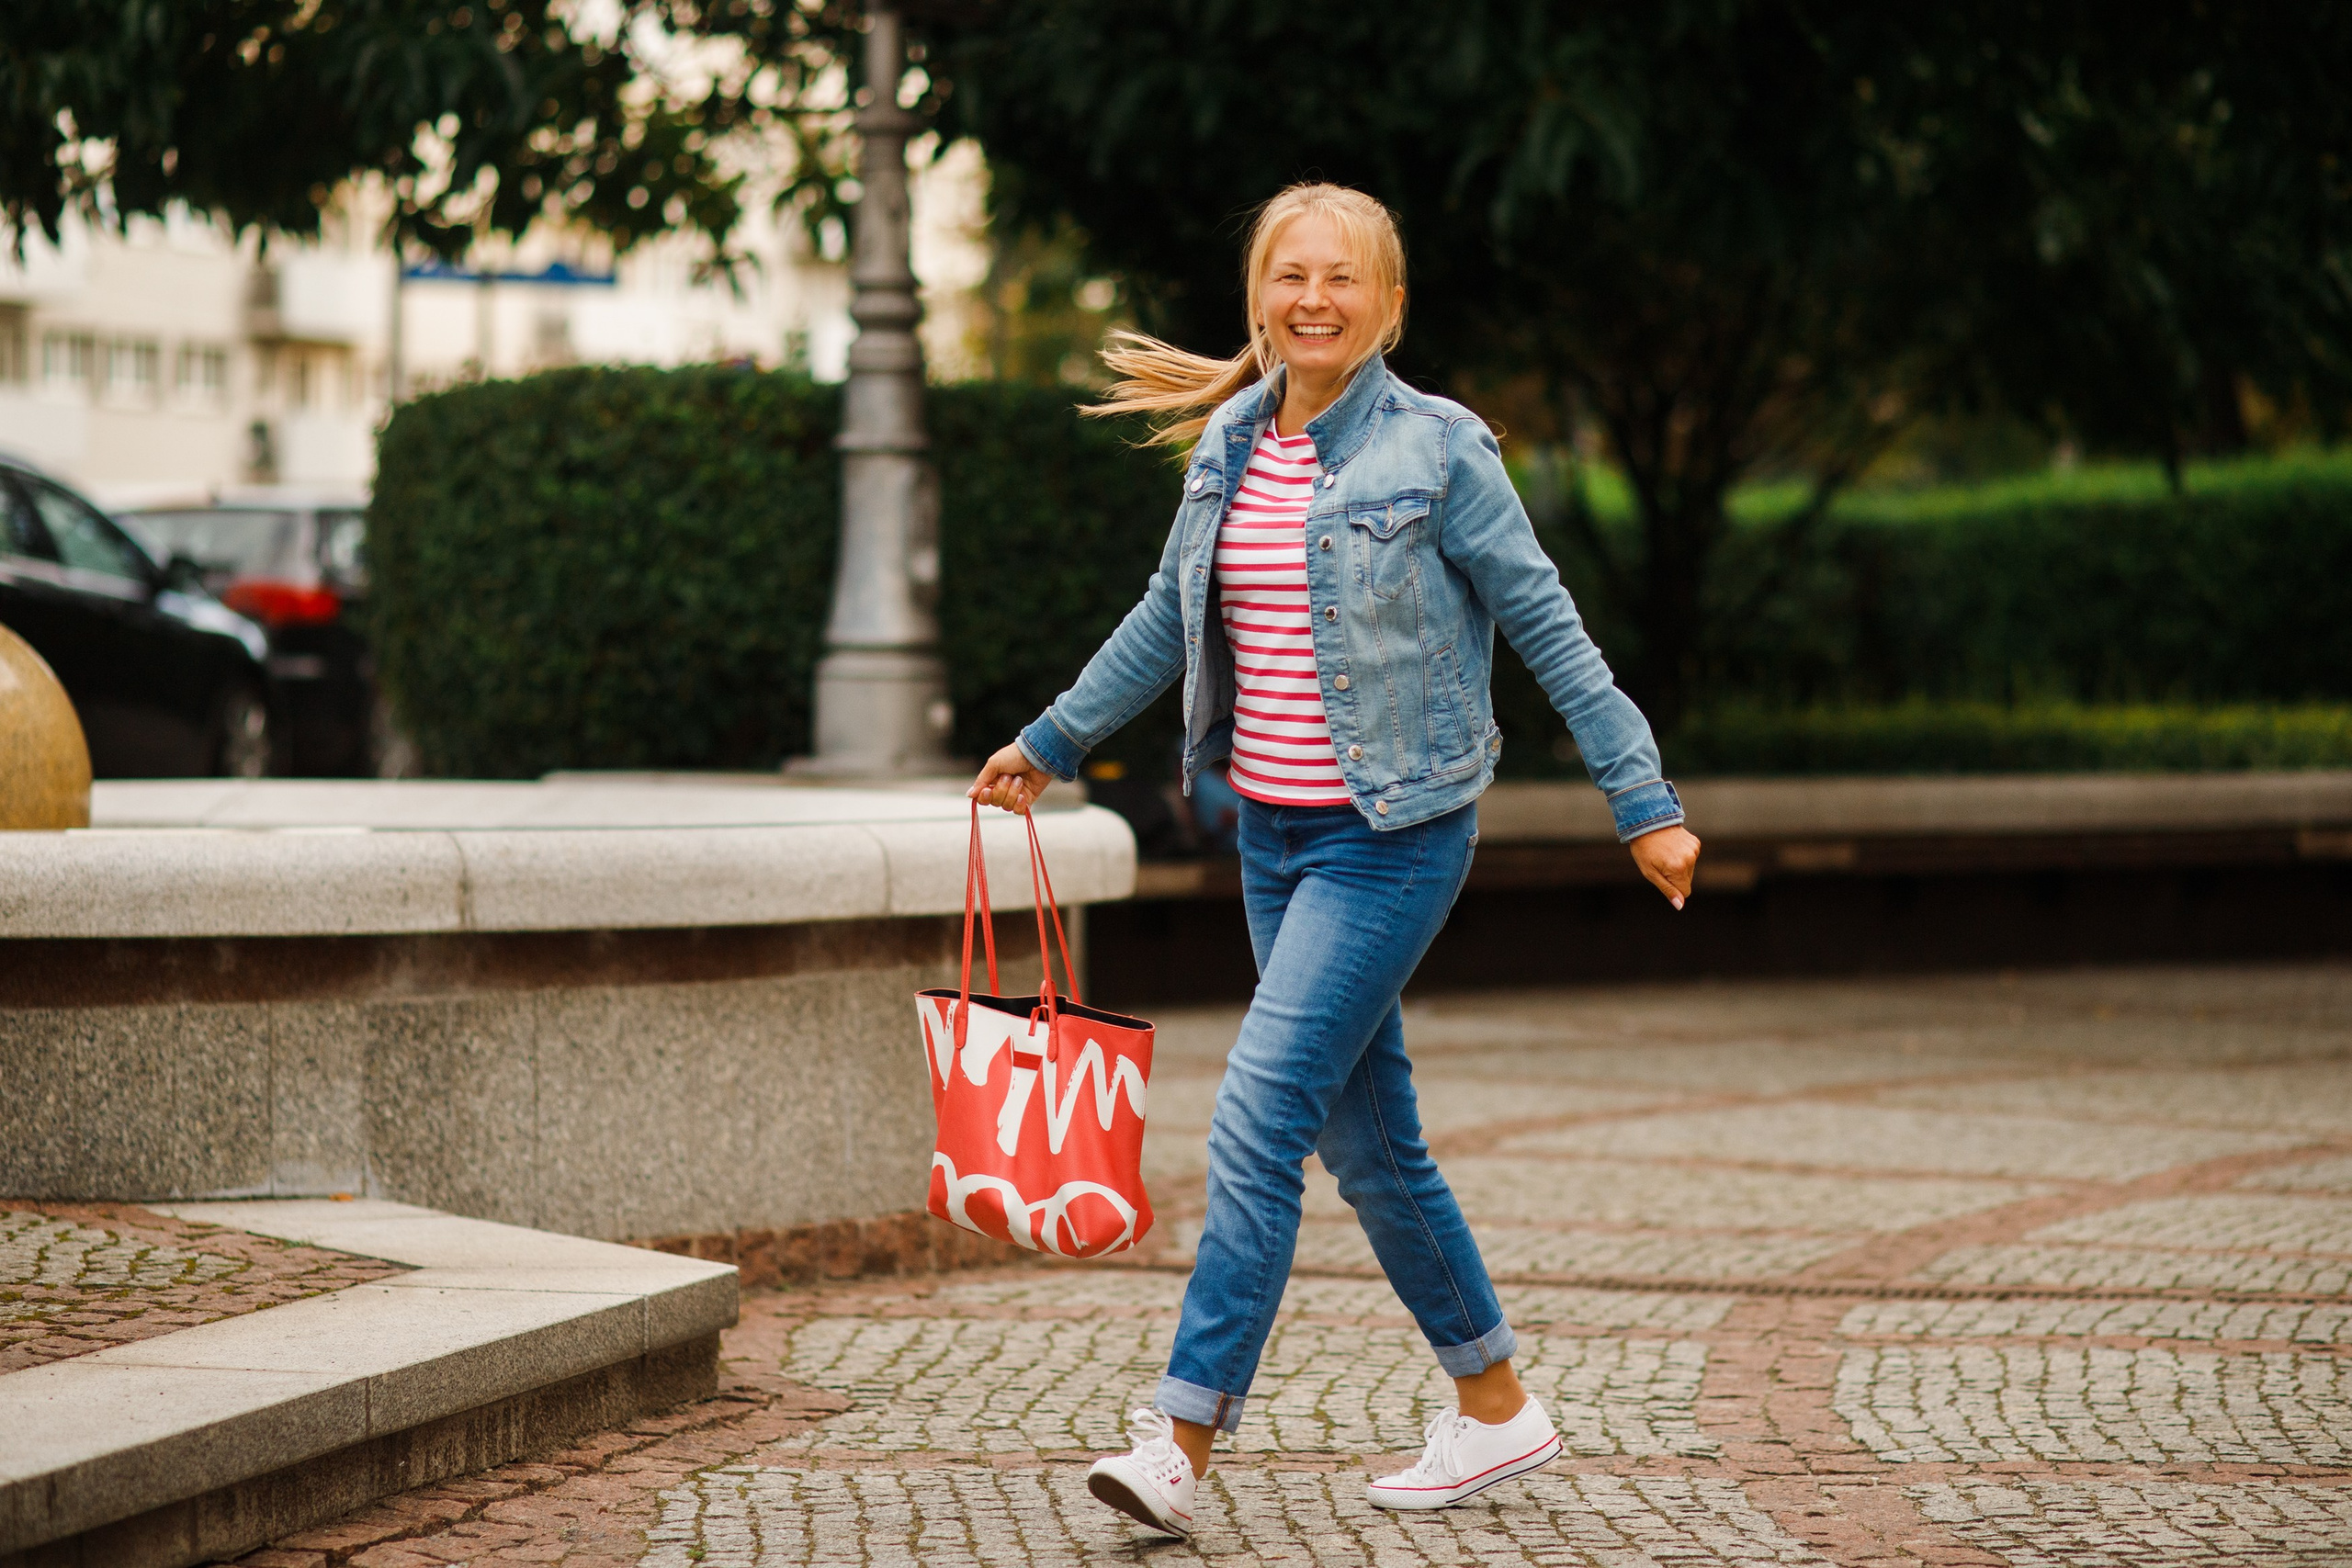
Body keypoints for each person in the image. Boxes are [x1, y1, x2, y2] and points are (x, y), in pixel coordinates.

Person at [967, 182, 1702, 1538]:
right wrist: (1052, 738)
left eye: (1343, 279)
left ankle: (1182, 1436)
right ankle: (1496, 1408)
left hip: (1396, 837)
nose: (1315, 299)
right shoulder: (1234, 442)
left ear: (1391, 304)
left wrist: (1642, 802)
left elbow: (1550, 627)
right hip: (1274, 839)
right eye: (1290, 277)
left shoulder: (1439, 451)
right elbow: (1162, 618)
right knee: (1372, 1147)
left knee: (1257, 1119)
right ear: (1259, 295)